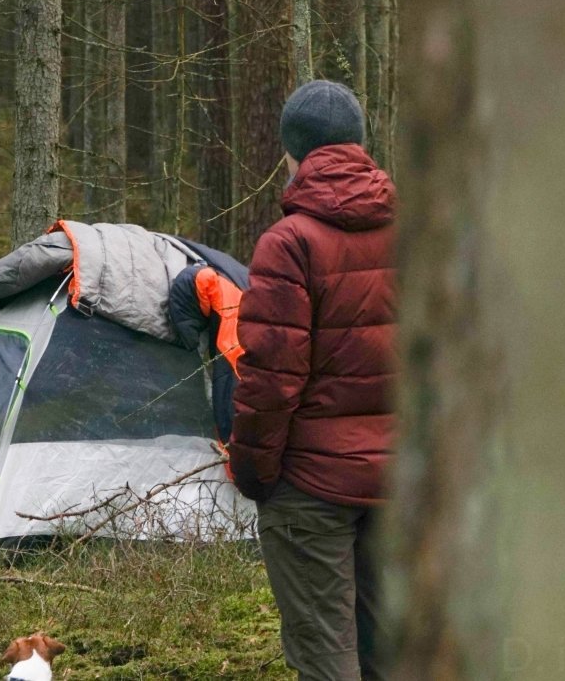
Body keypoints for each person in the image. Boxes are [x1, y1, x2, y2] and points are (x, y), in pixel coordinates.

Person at [228, 79, 397, 681]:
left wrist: (254, 473)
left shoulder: (289, 243)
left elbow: (271, 380)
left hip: (311, 488)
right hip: (398, 484)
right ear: (360, 143)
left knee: (328, 665)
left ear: (291, 152)